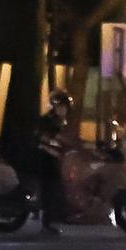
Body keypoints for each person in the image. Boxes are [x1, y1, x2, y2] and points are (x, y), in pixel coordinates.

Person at [34, 90, 73, 236]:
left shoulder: (59, 121)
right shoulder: (47, 121)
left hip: (52, 158)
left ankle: (49, 217)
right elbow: (44, 140)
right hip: (44, 159)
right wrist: (54, 148)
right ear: (54, 106)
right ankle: (46, 223)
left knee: (55, 188)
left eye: (65, 107)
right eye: (61, 106)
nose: (64, 110)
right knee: (50, 189)